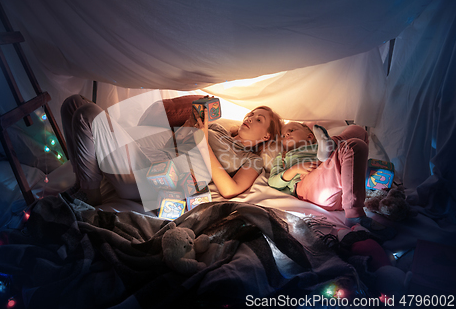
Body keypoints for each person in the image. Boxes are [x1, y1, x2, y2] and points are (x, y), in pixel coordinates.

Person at [61, 94, 282, 209]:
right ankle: (86, 180)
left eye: (258, 119)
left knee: (87, 113)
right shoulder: (218, 128)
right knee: (73, 104)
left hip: (166, 178)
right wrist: (191, 124)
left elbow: (230, 189)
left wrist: (202, 139)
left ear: (266, 136)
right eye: (251, 114)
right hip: (155, 156)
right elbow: (175, 144)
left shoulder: (253, 160)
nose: (250, 118)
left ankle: (90, 197)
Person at [268, 122, 396, 240]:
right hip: (309, 187)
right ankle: (355, 215)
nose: (287, 134)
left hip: (346, 190)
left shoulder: (319, 142)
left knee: (359, 132)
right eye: (283, 135)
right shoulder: (283, 156)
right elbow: (273, 182)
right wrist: (295, 169)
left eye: (291, 130)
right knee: (353, 146)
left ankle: (331, 145)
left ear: (310, 136)